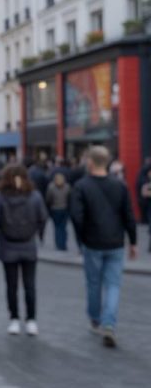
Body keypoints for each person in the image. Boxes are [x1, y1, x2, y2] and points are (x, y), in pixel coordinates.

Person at [70, 146, 137, 348]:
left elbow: (76, 216)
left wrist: (81, 239)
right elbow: (129, 216)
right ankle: (109, 324)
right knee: (114, 284)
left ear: (90, 162)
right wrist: (133, 242)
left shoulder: (81, 186)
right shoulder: (120, 186)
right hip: (116, 242)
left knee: (93, 283)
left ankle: (95, 319)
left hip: (93, 242)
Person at [0, 165, 48, 336]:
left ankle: (14, 319)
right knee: (30, 286)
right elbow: (43, 217)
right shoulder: (35, 196)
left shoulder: (1, 198)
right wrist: (38, 233)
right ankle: (31, 320)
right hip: (29, 244)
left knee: (11, 285)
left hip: (8, 245)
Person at [46, 172, 71, 251]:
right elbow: (69, 198)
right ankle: (63, 244)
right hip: (64, 208)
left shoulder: (51, 187)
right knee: (63, 227)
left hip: (55, 209)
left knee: (57, 227)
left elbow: (48, 199)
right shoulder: (67, 187)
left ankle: (58, 244)